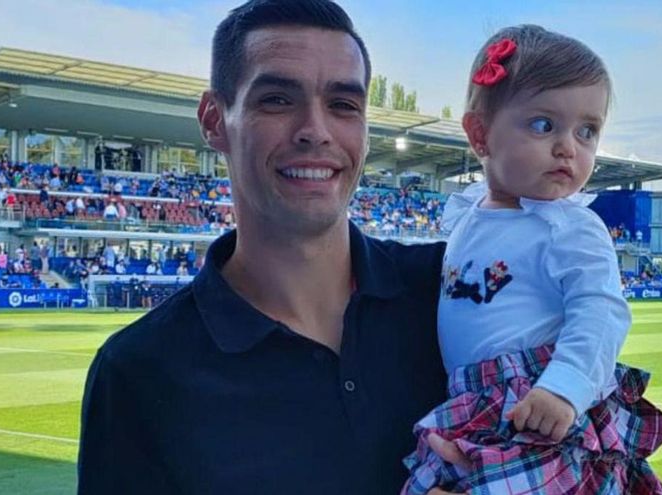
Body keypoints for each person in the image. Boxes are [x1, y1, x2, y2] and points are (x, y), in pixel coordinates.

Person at [78, 1, 456, 494]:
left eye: (343, 105)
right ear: (215, 120)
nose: (315, 131)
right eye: (277, 99)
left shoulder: (452, 287)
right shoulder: (139, 372)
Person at [401, 25, 662, 494]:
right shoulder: (467, 215)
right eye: (543, 125)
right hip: (473, 402)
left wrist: (564, 387)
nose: (569, 146)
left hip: (537, 398)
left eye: (587, 131)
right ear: (480, 134)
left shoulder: (568, 225)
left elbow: (601, 312)